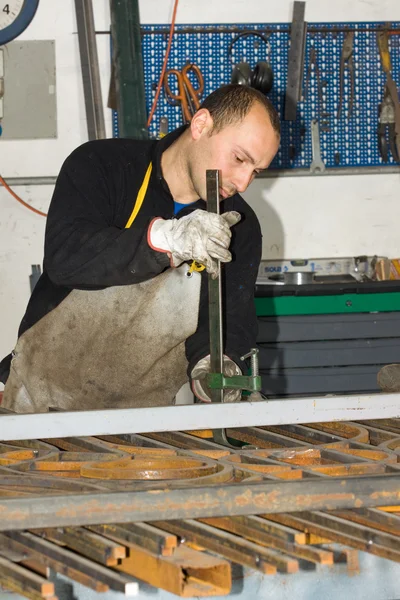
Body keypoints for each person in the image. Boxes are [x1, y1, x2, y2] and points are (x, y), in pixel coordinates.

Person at [0, 84, 280, 413]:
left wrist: (218, 367)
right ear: (201, 124)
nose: (243, 182)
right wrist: (165, 239)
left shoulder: (238, 226)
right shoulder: (103, 165)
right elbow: (66, 257)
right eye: (239, 159)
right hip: (33, 398)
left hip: (140, 418)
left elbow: (228, 319)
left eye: (256, 171)